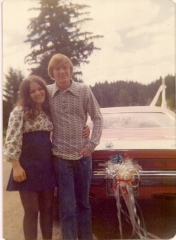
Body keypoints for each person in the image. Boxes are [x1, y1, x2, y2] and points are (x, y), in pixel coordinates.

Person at [4, 75, 90, 240]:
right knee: (31, 212)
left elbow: (69, 122)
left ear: (45, 89)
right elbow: (11, 140)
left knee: (48, 210)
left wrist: (85, 128)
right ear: (26, 95)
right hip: (26, 168)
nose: (37, 93)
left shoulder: (48, 111)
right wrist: (15, 166)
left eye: (40, 89)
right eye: (32, 91)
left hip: (46, 167)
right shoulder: (19, 112)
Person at [47, 54, 103, 240]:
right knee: (67, 207)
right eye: (57, 69)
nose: (62, 71)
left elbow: (97, 117)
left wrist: (91, 144)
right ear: (52, 73)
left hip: (83, 157)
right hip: (61, 159)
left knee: (83, 204)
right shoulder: (46, 93)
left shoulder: (84, 90)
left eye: (65, 68)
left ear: (71, 70)